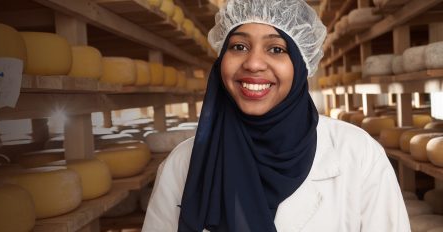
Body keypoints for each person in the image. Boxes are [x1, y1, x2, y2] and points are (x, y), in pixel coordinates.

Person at [141, 0, 410, 231]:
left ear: (301, 65)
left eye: (276, 49)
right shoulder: (183, 164)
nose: (254, 63)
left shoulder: (358, 154)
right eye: (238, 47)